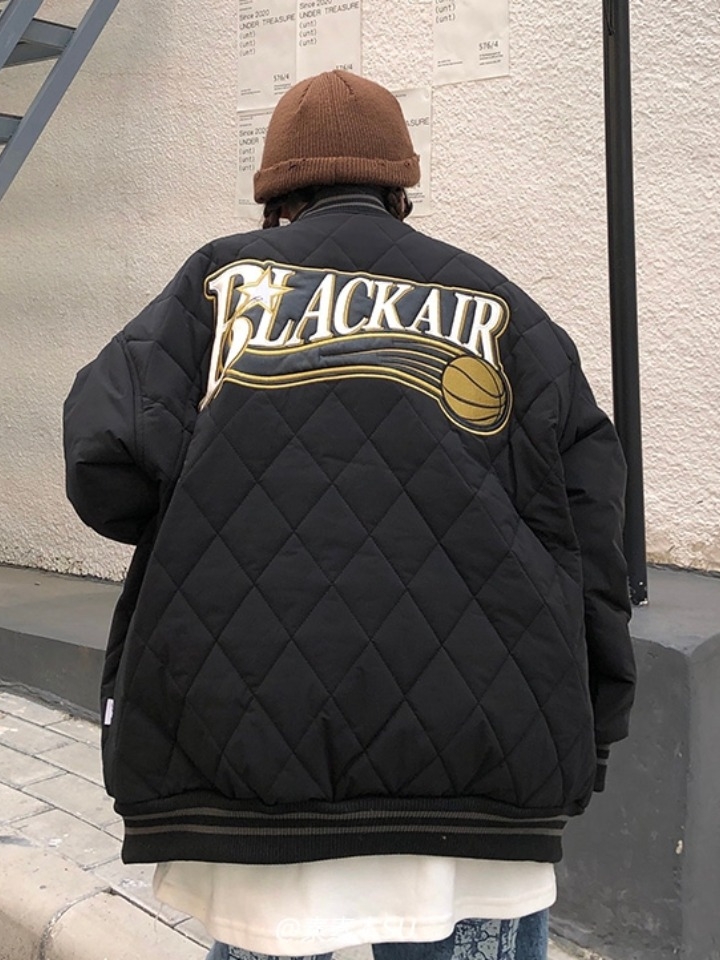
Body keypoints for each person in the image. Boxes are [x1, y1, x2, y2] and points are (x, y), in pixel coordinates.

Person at [63, 70, 636, 960]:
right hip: (481, 773)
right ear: (402, 188)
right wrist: (595, 727)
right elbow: (592, 524)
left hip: (253, 765)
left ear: (274, 196)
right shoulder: (508, 312)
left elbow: (103, 463)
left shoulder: (218, 285)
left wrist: (216, 505)